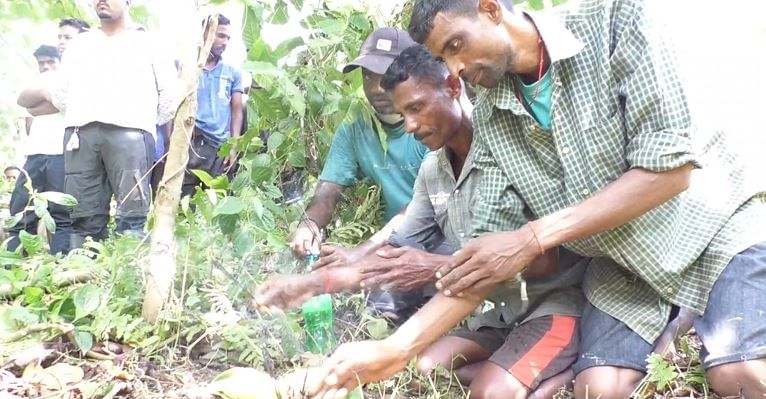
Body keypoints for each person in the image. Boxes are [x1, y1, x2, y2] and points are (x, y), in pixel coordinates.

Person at [398, 0, 764, 398]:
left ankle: (694, 314)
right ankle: (679, 317)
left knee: (739, 375)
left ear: (490, 9)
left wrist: (533, 237)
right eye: (442, 59)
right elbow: (488, 250)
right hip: (624, 265)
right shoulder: (490, 115)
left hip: (708, 229)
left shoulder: (615, 20)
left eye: (456, 45)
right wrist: (394, 348)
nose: (455, 68)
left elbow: (669, 173)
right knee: (597, 389)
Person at [256, 44, 589, 398]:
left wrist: (435, 269)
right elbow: (396, 252)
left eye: (416, 108)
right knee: (426, 369)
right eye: (404, 113)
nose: (411, 125)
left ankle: (556, 372)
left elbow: (544, 262)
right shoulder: (433, 170)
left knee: (490, 393)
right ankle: (531, 372)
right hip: (495, 314)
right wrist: (311, 284)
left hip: (548, 306)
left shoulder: (504, 148)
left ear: (453, 88)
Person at [21, 0, 177, 247]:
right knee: (83, 217)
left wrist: (140, 123)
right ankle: (82, 276)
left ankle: (128, 277)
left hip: (131, 136)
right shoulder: (80, 45)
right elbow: (62, 93)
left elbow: (169, 96)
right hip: (81, 136)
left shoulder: (148, 43)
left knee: (132, 217)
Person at [288, 27, 428, 261]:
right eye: (367, 75)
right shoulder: (356, 124)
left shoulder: (431, 122)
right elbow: (328, 191)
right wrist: (309, 225)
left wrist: (361, 252)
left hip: (438, 237)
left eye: (386, 76)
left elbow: (424, 205)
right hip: (389, 241)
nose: (375, 88)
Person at [10, 45, 72, 255]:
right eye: (42, 63)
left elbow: (62, 106)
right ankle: (14, 262)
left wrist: (39, 106)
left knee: (61, 213)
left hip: (61, 153)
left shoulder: (68, 78)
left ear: (60, 61)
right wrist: (46, 93)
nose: (46, 67)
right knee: (21, 209)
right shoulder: (35, 81)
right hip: (35, 152)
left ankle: (60, 264)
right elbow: (23, 102)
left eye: (51, 62)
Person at [181, 14, 244, 198]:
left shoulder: (232, 73)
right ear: (205, 34)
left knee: (221, 203)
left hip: (220, 149)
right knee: (186, 205)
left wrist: (233, 146)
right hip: (192, 145)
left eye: (228, 38)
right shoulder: (187, 67)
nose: (225, 42)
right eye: (220, 35)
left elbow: (237, 111)